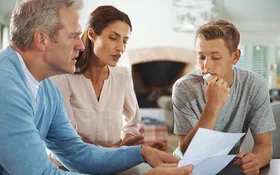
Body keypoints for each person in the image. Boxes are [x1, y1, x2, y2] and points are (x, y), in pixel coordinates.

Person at [0, 0, 193, 174]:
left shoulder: (46, 87)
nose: (81, 45)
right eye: (73, 36)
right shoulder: (6, 86)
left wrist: (141, 152)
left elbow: (76, 152)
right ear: (42, 39)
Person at [50, 5, 166, 151]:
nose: (121, 48)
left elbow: (133, 124)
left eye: (124, 41)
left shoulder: (122, 76)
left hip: (114, 162)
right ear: (92, 35)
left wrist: (129, 146)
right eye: (113, 38)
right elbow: (69, 143)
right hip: (71, 166)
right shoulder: (62, 78)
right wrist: (117, 150)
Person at [172, 19, 276, 175]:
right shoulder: (183, 88)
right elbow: (188, 153)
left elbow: (265, 147)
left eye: (215, 57)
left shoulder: (255, 85)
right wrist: (212, 106)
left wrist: (255, 160)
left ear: (235, 56)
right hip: (187, 168)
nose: (206, 66)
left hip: (229, 166)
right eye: (201, 57)